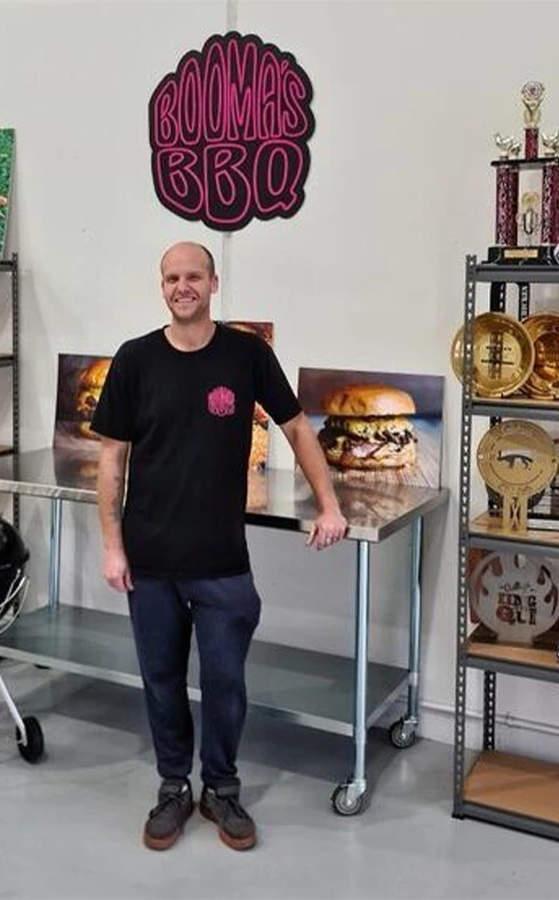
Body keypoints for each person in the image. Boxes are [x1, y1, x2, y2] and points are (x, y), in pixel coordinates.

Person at [91, 241, 347, 852]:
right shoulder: (134, 359)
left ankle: (221, 789)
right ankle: (173, 787)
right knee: (161, 680)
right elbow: (111, 459)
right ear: (162, 287)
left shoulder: (246, 354)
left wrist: (329, 504)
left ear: (213, 283)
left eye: (193, 276)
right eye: (171, 278)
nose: (182, 287)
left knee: (226, 682)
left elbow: (296, 428)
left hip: (222, 560)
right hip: (150, 560)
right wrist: (112, 546)